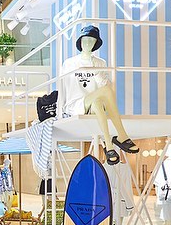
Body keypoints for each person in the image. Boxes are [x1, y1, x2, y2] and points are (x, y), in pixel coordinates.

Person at [57, 25, 138, 165]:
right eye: (85, 40)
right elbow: (62, 87)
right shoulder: (69, 63)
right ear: (80, 41)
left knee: (99, 101)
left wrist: (97, 72)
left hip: (95, 104)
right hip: (76, 104)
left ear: (96, 44)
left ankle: (109, 146)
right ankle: (122, 135)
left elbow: (104, 85)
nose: (87, 43)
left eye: (91, 40)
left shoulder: (100, 63)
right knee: (106, 91)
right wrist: (60, 112)